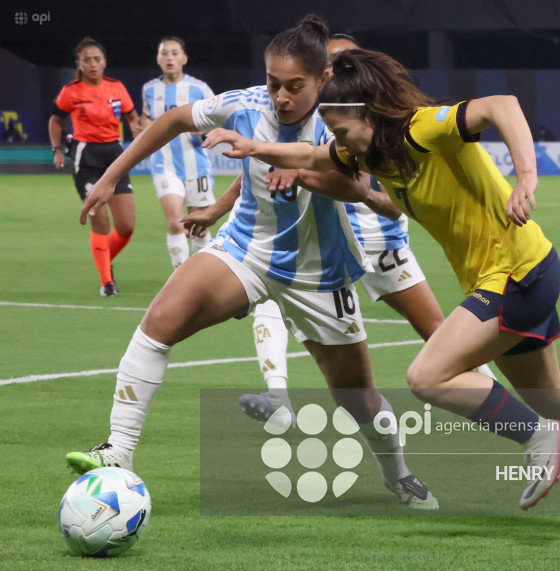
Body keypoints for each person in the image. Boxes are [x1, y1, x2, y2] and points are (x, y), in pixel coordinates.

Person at [203, 49, 560, 529]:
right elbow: (315, 156)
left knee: (427, 376)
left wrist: (526, 178)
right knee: (550, 395)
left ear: (366, 114)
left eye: (342, 130)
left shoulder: (422, 128)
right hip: (520, 271)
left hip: (516, 271)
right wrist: (253, 147)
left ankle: (538, 438)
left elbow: (503, 105)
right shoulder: (372, 151)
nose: (338, 142)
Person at [66, 16, 439, 510]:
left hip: (320, 273)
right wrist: (113, 175)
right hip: (245, 250)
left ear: (323, 80)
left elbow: (360, 190)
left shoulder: (345, 117)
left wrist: (302, 170)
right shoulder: (245, 104)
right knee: (159, 322)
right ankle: (119, 451)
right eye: (273, 83)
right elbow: (173, 120)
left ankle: (399, 476)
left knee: (359, 400)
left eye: (294, 86)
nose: (280, 96)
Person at [219, 32, 495, 424]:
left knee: (433, 326)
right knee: (270, 301)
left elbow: (381, 201)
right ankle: (278, 395)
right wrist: (217, 209)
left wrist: (340, 187)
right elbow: (259, 169)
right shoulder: (305, 116)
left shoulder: (373, 123)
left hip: (378, 239)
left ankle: (490, 401)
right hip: (321, 245)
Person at [48, 37, 141, 296]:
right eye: (86, 59)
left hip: (115, 156)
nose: (92, 64)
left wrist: (137, 128)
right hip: (86, 158)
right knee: (100, 221)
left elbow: (133, 117)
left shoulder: (117, 88)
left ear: (105, 62)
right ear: (78, 63)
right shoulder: (71, 91)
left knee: (126, 227)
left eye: (97, 59)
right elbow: (56, 120)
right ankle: (107, 283)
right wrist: (57, 149)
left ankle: (103, 259)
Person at [141, 36, 216, 270]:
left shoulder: (199, 88)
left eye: (174, 53)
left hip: (196, 165)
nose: (169, 58)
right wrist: (144, 127)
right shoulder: (150, 89)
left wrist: (204, 128)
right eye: (164, 53)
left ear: (184, 58)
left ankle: (203, 276)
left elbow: (218, 115)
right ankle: (180, 277)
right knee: (175, 223)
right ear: (158, 59)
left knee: (199, 225)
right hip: (164, 165)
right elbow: (145, 117)